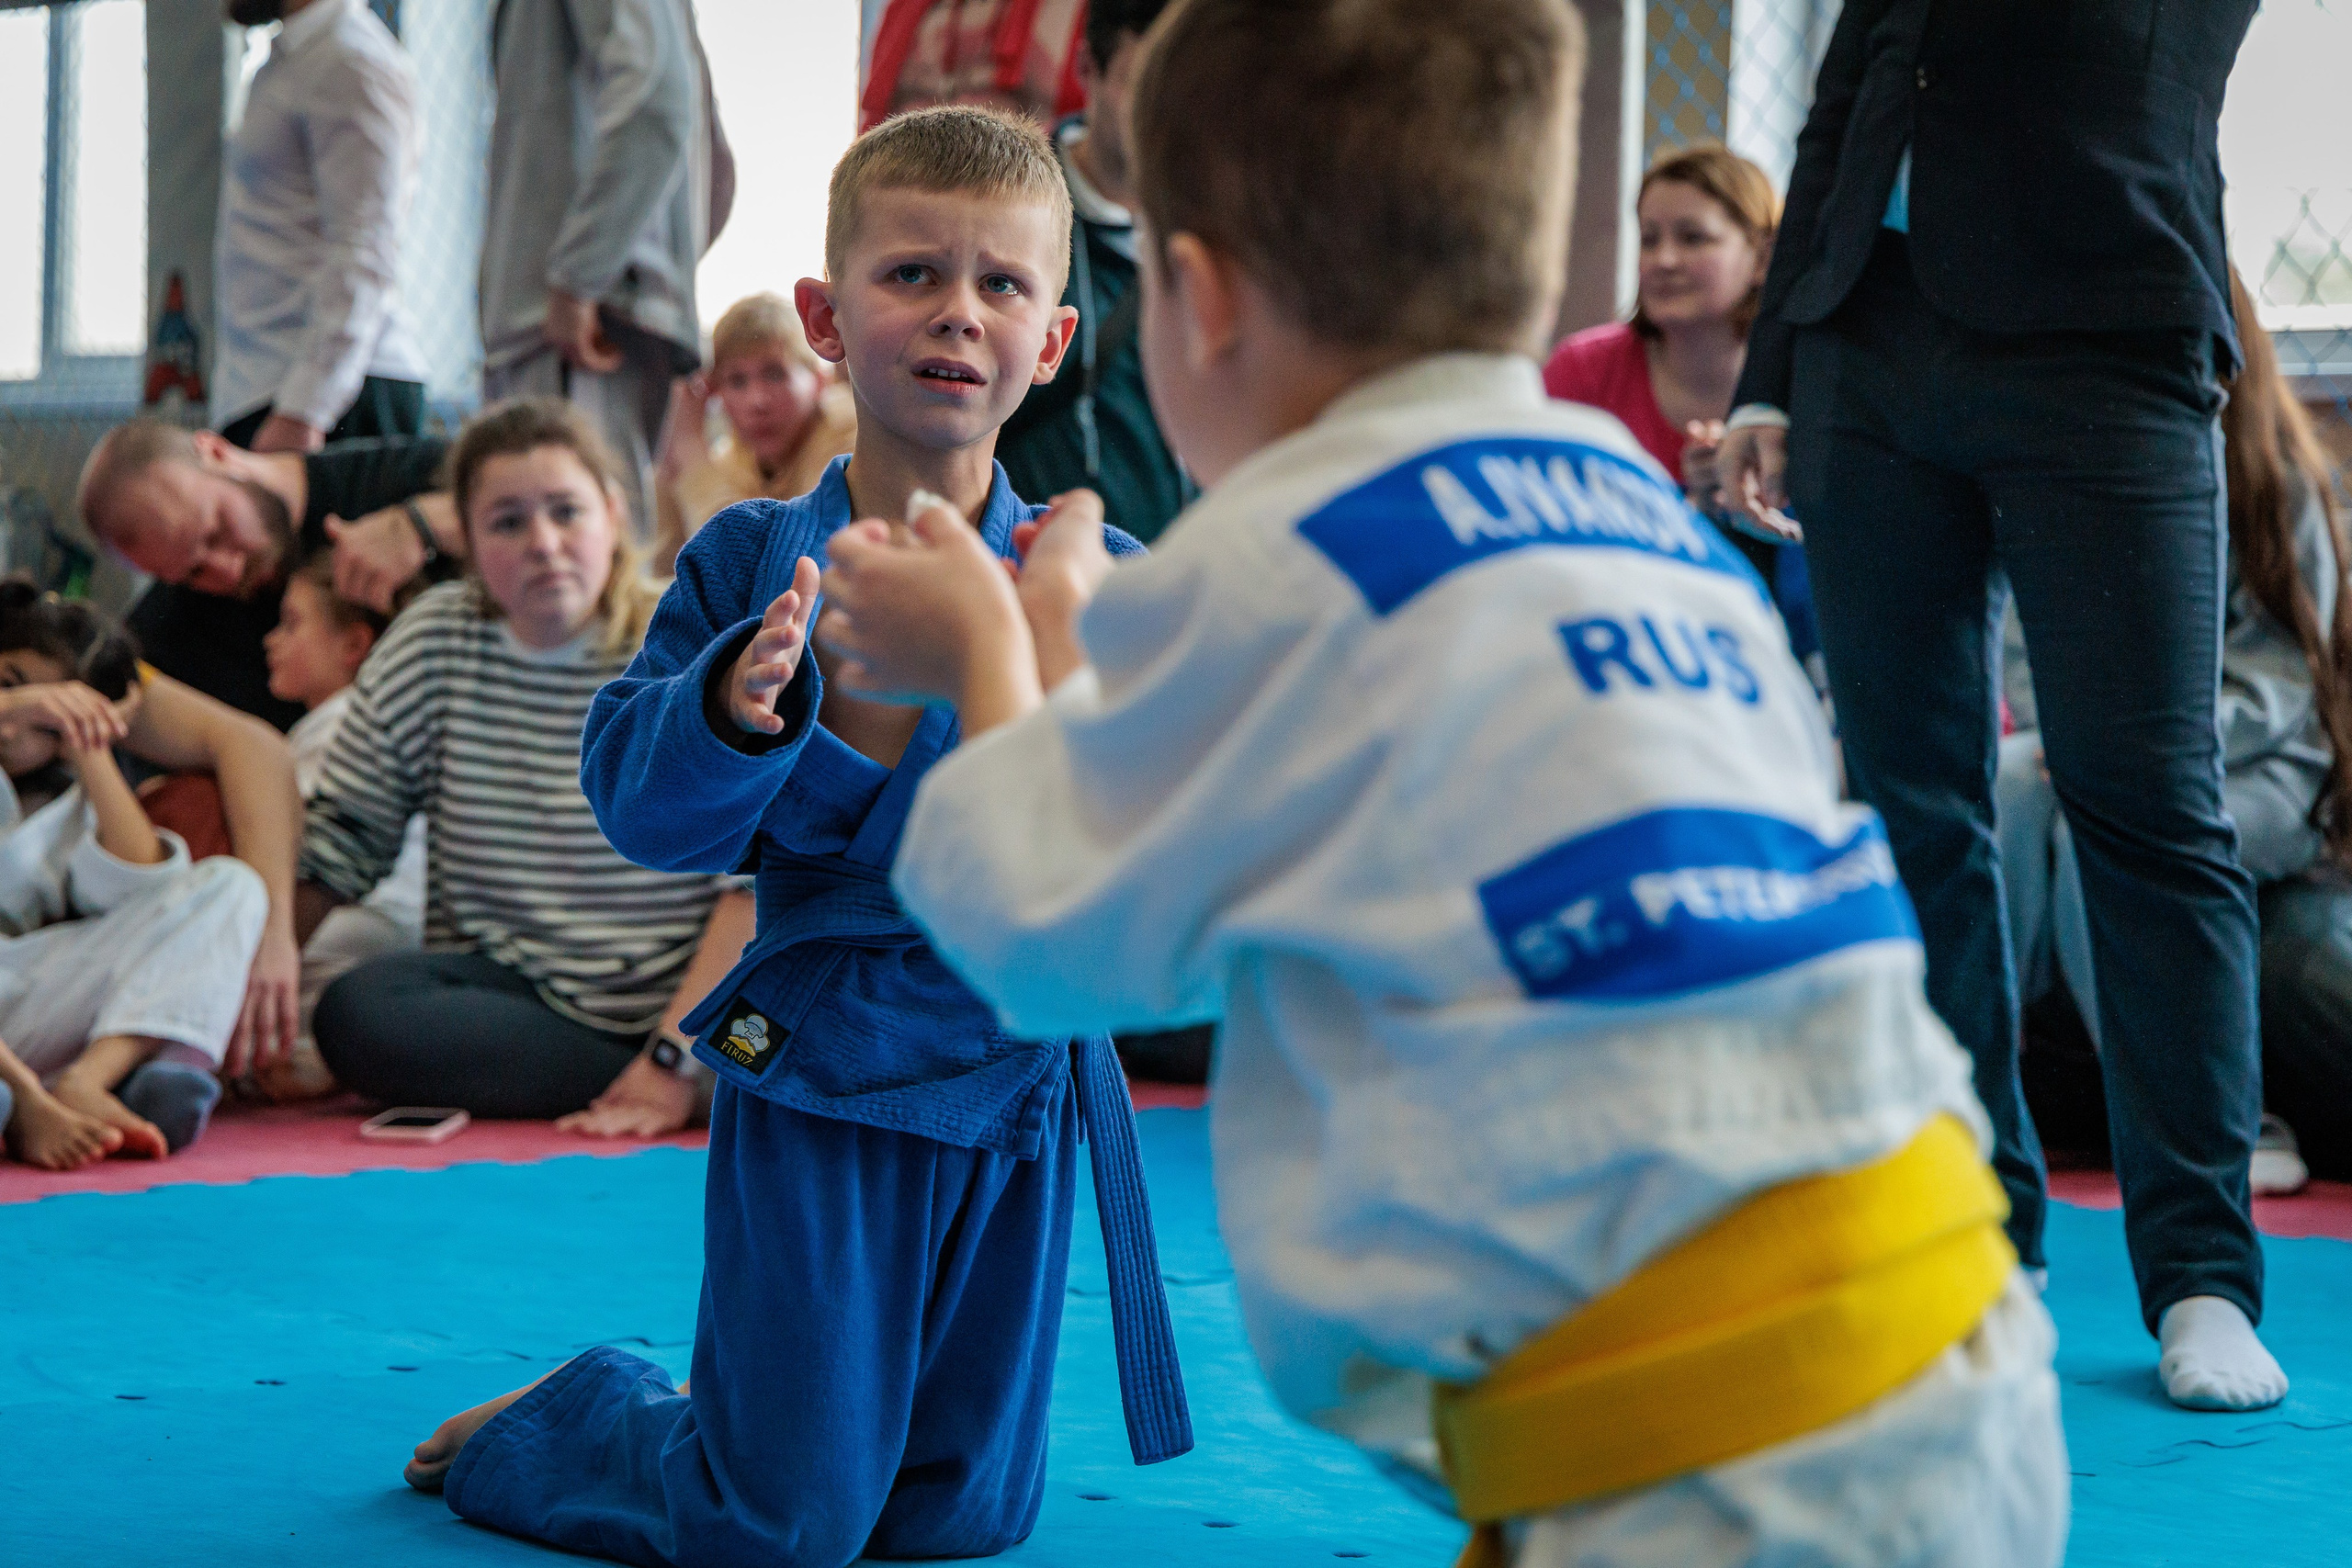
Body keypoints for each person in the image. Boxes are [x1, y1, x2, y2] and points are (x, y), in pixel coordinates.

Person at [819, 3, 2064, 1564]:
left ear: (1194, 302)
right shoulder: (1630, 507)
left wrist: (994, 649)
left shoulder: (1281, 557)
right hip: (1959, 1335)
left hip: (1705, 1459)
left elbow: (1045, 941)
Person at [398, 107, 1191, 1566]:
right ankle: (593, 1412)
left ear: (1057, 338)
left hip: (1018, 1077)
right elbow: (639, 806)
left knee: (959, 1518)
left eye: (1003, 285)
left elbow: (1139, 849)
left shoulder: (1099, 575)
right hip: (825, 1061)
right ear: (828, 317)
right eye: (913, 274)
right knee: (778, 1524)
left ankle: (753, 1413)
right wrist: (732, 712)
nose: (959, 309)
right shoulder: (749, 562)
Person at [1711, 1, 2281, 1411]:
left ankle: (2202, 1270)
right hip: (1865, 343)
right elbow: (1844, 97)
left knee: (2146, 809)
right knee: (1911, 811)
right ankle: (1977, 1230)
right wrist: (1774, 369)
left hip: (2109, 322)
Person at [1998, 268, 2352, 1197]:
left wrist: (2127, 745)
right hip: (2095, 748)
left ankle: (2213, 1114)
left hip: (2266, 769)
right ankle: (1987, 1092)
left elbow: (2281, 687)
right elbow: (2016, 648)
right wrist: (2072, 734)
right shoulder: (2064, 472)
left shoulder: (2277, 481)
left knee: (2111, 827)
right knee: (2000, 786)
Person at [294, 399, 737, 1130]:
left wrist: (668, 1060)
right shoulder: (434, 639)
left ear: (613, 514)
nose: (543, 542)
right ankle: (685, 1085)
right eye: (507, 522)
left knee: (802, 1030)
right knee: (354, 1013)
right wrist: (249, 997)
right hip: (515, 1000)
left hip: (681, 1001)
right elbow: (343, 839)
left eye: (567, 511)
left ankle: (686, 1078)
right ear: (467, 542)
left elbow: (751, 887)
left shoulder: (688, 643)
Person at [0, 581, 289, 1168]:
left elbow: (143, 887)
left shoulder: (72, 801)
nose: (22, 718)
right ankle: (26, 1100)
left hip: (25, 999)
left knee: (232, 889)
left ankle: (89, 1081)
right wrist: (22, 706)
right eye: (7, 684)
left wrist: (92, 749)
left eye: (56, 713)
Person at [1542, 143, 1816, 671]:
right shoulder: (1583, 369)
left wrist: (1748, 493)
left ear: (1762, 258)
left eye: (1693, 238)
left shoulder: (1802, 376)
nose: (1664, 260)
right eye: (1649, 239)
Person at [481, 0, 730, 536]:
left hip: (580, 327)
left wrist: (582, 277)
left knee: (579, 585)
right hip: (591, 313)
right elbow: (716, 170)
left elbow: (656, 103)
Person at [79, 421, 461, 729]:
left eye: (217, 530)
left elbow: (515, 504)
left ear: (216, 452)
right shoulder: (170, 634)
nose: (228, 570)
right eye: (193, 573)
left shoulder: (389, 476)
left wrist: (419, 525)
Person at [992, 0, 1191, 547]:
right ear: (1087, 71)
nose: (1166, 116)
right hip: (1033, 582)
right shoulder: (1009, 210)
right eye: (1143, 85)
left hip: (1177, 591)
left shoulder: (1223, 226)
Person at [214, 0, 432, 453]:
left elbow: (365, 248)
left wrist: (306, 409)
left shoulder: (349, 58)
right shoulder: (293, 59)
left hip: (333, 403)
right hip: (277, 390)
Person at [250, 554, 424, 1103]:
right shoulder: (319, 726)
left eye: (292, 623)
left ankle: (291, 1053)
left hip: (373, 916)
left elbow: (304, 858)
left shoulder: (345, 723)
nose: (270, 640)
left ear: (354, 645)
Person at [650, 292, 856, 575]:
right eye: (736, 381)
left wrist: (691, 457)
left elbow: (762, 573)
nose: (756, 401)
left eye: (775, 374)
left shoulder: (851, 431)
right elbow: (668, 586)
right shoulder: (729, 463)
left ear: (820, 381)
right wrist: (670, 466)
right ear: (714, 393)